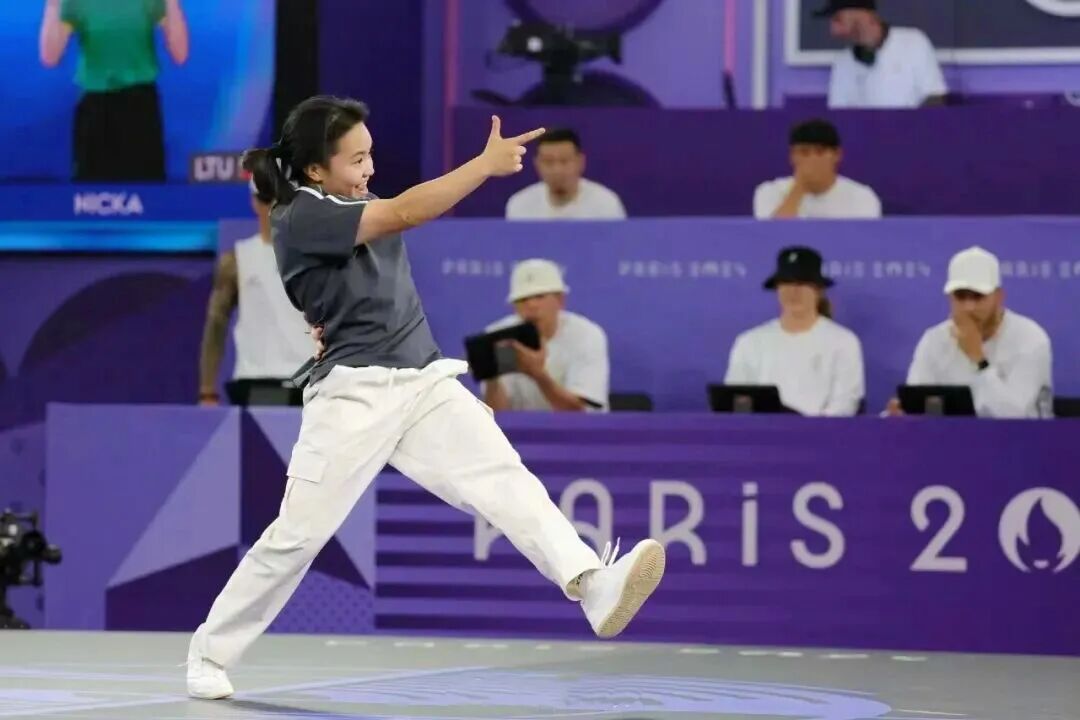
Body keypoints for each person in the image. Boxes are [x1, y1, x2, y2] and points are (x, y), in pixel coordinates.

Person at [185, 97, 665, 700]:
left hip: (423, 381)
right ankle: (209, 653)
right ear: (314, 170)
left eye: (371, 155)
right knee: (298, 537)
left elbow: (377, 290)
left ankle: (592, 584)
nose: (369, 168)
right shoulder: (300, 215)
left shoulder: (355, 204)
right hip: (352, 397)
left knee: (505, 478)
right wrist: (483, 165)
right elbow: (408, 211)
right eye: (356, 159)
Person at [886, 247, 1053, 419]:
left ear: (998, 297)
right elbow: (919, 405)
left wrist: (979, 359)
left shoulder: (1030, 339)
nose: (969, 307)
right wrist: (902, 416)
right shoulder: (933, 340)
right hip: (948, 435)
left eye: (977, 297)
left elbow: (1014, 418)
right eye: (961, 296)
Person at [39, 0, 189, 181]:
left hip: (141, 109)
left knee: (147, 190)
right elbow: (50, 57)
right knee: (92, 192)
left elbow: (180, 54)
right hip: (94, 109)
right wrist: (53, 5)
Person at [197, 180, 314, 405]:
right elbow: (216, 325)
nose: (274, 207)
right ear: (255, 202)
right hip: (257, 380)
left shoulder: (320, 258)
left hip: (309, 381)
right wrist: (207, 390)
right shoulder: (236, 261)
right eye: (267, 199)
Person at [725, 246, 864, 416]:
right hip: (763, 431)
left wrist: (808, 428)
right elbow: (737, 401)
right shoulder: (749, 342)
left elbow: (845, 403)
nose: (793, 291)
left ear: (818, 291)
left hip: (821, 431)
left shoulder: (843, 341)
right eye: (786, 283)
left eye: (802, 284)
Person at [483, 259, 609, 412]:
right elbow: (495, 414)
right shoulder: (498, 337)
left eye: (539, 296)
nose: (531, 305)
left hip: (577, 428)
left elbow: (580, 414)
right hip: (518, 427)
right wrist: (492, 378)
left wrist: (539, 375)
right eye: (522, 299)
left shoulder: (586, 335)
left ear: (560, 300)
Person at [816, 0, 947, 109]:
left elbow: (935, 98)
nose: (832, 30)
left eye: (838, 19)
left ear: (860, 14)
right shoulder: (843, 62)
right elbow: (839, 115)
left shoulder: (913, 42)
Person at [754, 119, 881, 220]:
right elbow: (773, 237)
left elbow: (864, 240)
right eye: (804, 153)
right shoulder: (770, 192)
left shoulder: (862, 196)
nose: (812, 159)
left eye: (820, 152)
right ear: (792, 156)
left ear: (837, 155)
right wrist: (799, 187)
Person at [505, 128, 627, 220]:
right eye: (548, 162)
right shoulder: (520, 205)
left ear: (580, 162)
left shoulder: (606, 204)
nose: (557, 169)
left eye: (564, 161)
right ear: (537, 164)